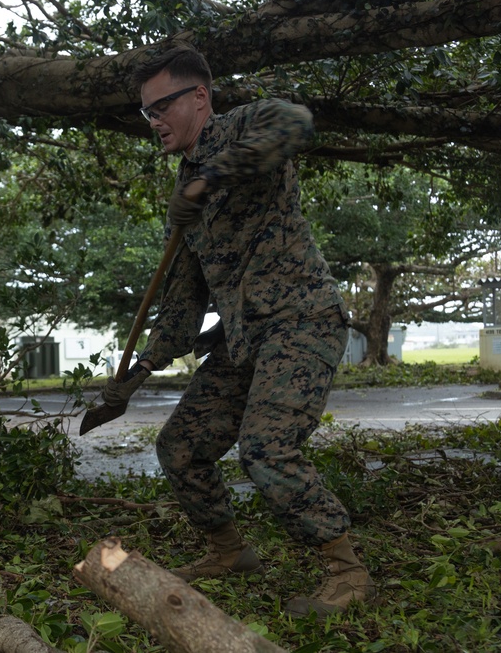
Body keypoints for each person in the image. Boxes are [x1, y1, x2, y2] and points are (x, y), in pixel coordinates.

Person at [102, 44, 375, 618]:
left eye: (162, 107)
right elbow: (184, 295)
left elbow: (296, 123)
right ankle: (230, 552)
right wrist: (140, 371)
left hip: (302, 320)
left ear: (200, 97)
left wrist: (211, 178)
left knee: (266, 449)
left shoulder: (244, 129)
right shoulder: (183, 188)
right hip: (243, 338)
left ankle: (347, 571)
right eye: (144, 112)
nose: (153, 121)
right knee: (180, 447)